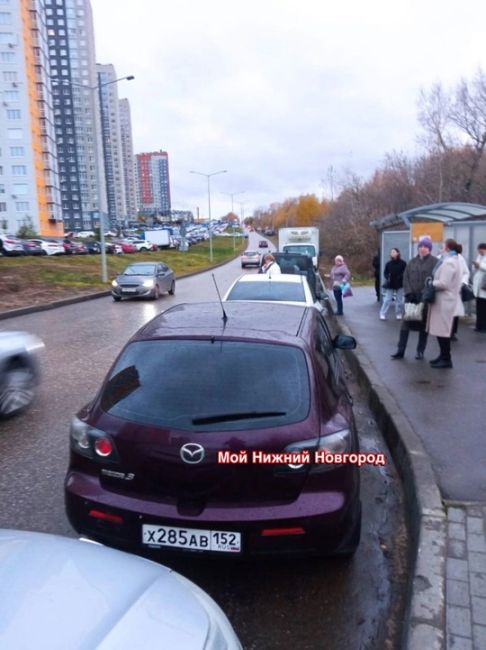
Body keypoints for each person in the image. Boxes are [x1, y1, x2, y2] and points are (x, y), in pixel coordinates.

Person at [390, 236, 438, 360]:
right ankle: (400, 350)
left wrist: (424, 295)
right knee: (405, 325)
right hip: (410, 299)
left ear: (430, 249)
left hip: (424, 300)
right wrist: (409, 293)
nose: (422, 249)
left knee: (423, 326)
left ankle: (420, 351)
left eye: (425, 247)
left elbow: (435, 281)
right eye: (421, 246)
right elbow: (405, 278)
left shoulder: (435, 262)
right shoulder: (412, 262)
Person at [426, 239, 462, 369]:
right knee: (440, 330)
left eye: (442, 246)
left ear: (447, 248)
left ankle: (446, 358)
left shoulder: (449, 263)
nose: (440, 248)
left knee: (443, 331)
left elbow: (444, 283)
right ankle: (442, 356)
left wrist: (431, 283)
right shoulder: (453, 261)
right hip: (444, 301)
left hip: (444, 301)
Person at [379, 248, 407, 320]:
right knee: (387, 299)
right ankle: (382, 313)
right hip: (390, 283)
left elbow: (405, 272)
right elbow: (385, 272)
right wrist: (387, 276)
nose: (392, 253)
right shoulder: (388, 264)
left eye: (394, 252)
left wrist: (400, 277)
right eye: (391, 252)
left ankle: (398, 313)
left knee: (399, 300)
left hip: (400, 283)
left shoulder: (403, 263)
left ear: (398, 253)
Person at [450, 243, 470, 341]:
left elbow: (466, 272)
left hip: (456, 289)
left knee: (454, 313)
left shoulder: (460, 259)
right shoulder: (448, 258)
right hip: (448, 289)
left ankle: (452, 332)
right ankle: (448, 332)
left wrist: (462, 283)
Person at [472, 242, 486, 332]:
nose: (479, 251)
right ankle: (478, 325)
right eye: (479, 250)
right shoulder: (479, 257)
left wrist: (479, 265)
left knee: (484, 308)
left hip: (484, 286)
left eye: (481, 249)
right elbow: (475, 269)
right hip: (478, 287)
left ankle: (484, 327)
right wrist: (475, 265)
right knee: (479, 307)